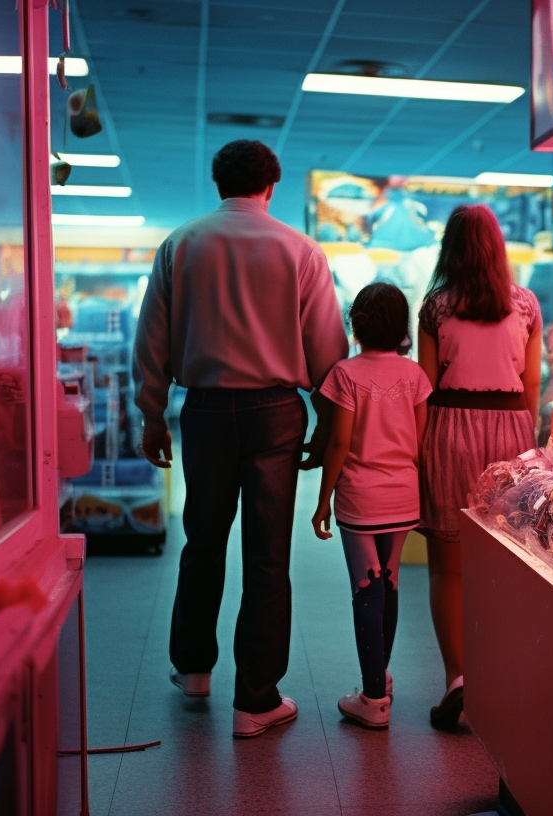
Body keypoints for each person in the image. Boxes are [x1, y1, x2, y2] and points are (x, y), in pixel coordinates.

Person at [133, 139, 348, 738]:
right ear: (271, 186)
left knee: (202, 540)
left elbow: (151, 340)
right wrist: (329, 424)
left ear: (218, 182)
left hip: (202, 410)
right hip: (278, 412)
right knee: (267, 554)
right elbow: (328, 349)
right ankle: (256, 700)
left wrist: (153, 413)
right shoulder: (301, 251)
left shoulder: (181, 245)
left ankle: (195, 668)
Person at [417, 205, 541, 728]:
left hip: (449, 427)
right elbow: (532, 384)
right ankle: (501, 679)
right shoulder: (525, 305)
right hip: (509, 429)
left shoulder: (436, 307)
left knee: (449, 565)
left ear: (450, 248)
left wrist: (417, 449)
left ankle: (458, 680)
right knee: (506, 561)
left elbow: (423, 389)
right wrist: (528, 445)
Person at [310, 282, 432, 729]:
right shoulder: (415, 375)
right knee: (389, 582)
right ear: (402, 327)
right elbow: (419, 442)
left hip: (361, 498)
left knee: (366, 587)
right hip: (403, 494)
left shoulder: (345, 374)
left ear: (355, 322)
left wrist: (322, 499)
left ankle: (373, 696)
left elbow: (340, 441)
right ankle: (381, 677)